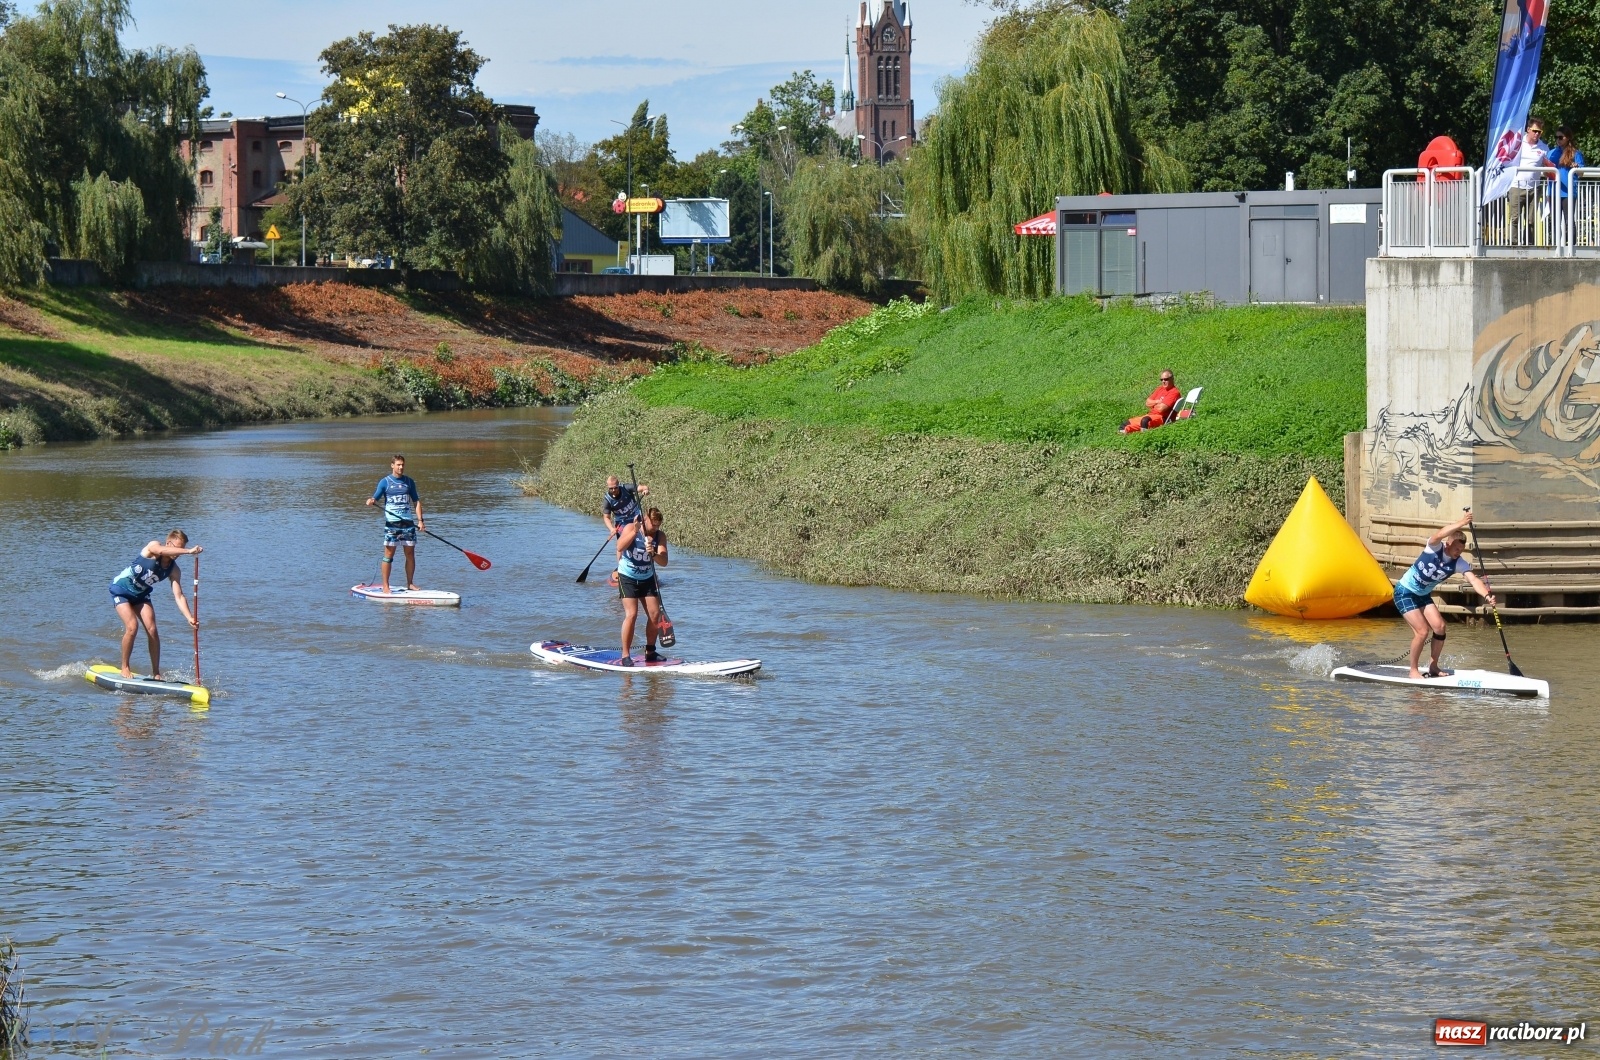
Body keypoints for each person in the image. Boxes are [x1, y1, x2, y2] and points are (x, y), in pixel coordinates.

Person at [1394, 512, 1496, 680]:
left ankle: (1433, 667)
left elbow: (1473, 579)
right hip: (1404, 591)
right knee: (1422, 631)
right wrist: (1462, 522)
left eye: (1461, 550)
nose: (1458, 552)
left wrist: (1487, 595)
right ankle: (1413, 670)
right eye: (1456, 548)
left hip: (1423, 595)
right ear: (1448, 544)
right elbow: (1440, 533)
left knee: (1440, 627)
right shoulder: (1434, 547)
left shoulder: (1459, 563)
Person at [108, 530, 201, 679]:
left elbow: (179, 595)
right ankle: (125, 666)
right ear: (169, 543)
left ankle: (156, 673)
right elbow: (161, 550)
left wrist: (189, 617)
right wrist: (189, 551)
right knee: (132, 626)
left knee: (152, 630)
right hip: (121, 590)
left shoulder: (174, 570)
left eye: (181, 548)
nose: (178, 553)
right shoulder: (153, 547)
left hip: (141, 594)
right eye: (177, 548)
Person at [615, 506, 669, 667]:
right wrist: (635, 532)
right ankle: (626, 655)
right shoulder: (632, 527)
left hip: (647, 577)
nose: (656, 529)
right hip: (627, 577)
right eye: (653, 525)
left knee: (655, 615)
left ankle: (650, 652)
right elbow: (619, 547)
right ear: (645, 520)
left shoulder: (660, 536)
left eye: (658, 525)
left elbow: (664, 562)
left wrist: (653, 553)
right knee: (632, 614)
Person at [365, 454, 425, 592]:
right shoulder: (385, 482)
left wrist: (421, 521)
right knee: (389, 555)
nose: (401, 467)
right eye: (398, 465)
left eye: (402, 465)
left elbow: (416, 502)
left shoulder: (409, 482)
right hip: (392, 524)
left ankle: (410, 583)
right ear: (392, 465)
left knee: (410, 555)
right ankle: (385, 586)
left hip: (408, 524)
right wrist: (371, 500)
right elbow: (376, 497)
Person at [1509, 119, 1551, 245]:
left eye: (1539, 132)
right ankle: (1514, 245)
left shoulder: (1543, 147)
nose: (1537, 134)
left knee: (1531, 220)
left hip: (1534, 187)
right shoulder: (1517, 143)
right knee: (1515, 218)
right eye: (1535, 131)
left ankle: (1529, 245)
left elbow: (1548, 165)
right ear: (1528, 129)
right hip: (1516, 185)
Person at [1546, 126, 1585, 209]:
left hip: (1568, 192)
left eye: (1560, 137)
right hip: (1553, 191)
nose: (1558, 140)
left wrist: (1576, 168)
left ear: (1568, 138)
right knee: (1554, 220)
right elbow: (1546, 173)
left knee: (1569, 221)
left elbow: (1581, 173)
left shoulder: (1576, 153)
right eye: (1556, 137)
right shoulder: (1551, 153)